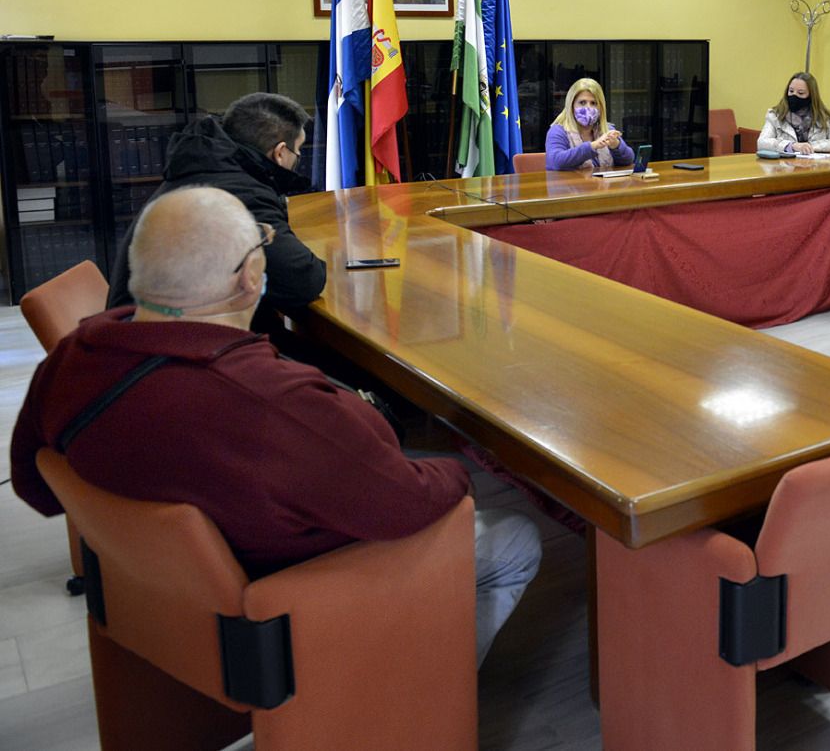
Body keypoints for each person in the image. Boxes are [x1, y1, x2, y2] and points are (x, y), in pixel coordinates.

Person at [10, 187, 541, 667]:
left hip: (158, 606)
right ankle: (408, 694)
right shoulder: (274, 404)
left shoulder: (68, 361)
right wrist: (458, 472)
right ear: (250, 277)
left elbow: (37, 487)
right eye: (263, 244)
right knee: (515, 537)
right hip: (288, 607)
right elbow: (409, 502)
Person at [105, 92, 325, 326]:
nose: (297, 159)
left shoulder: (209, 166)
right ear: (280, 153)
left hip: (147, 327)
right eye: (297, 151)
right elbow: (303, 280)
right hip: (167, 339)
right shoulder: (241, 192)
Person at [546, 78, 635, 171]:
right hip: (571, 181)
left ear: (601, 107)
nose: (588, 107)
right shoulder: (558, 131)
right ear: (571, 105)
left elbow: (629, 160)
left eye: (593, 103)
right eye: (582, 102)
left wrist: (616, 145)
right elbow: (555, 162)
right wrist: (593, 146)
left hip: (601, 180)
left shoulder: (606, 129)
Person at [757, 72, 830, 155]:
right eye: (791, 91)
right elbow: (762, 142)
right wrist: (792, 146)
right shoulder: (775, 115)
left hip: (815, 165)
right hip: (785, 166)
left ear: (811, 96)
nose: (794, 95)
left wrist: (810, 146)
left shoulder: (822, 116)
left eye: (800, 93)